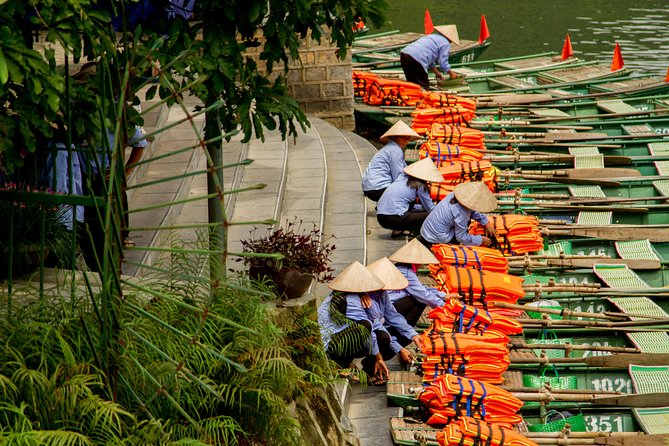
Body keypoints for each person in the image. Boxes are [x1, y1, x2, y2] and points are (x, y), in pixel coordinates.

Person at [318, 261, 421, 383]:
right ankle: (339, 364)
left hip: (346, 335)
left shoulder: (378, 294)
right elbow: (369, 327)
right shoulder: (352, 299)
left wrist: (411, 337)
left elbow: (390, 316)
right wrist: (379, 358)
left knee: (384, 337)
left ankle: (369, 370)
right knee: (367, 328)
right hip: (330, 343)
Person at [366, 256, 424, 366]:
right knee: (384, 338)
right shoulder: (367, 299)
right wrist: (400, 349)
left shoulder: (381, 293)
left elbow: (393, 315)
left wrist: (413, 335)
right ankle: (370, 367)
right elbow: (376, 327)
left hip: (374, 327)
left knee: (405, 334)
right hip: (359, 334)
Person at [386, 238, 448, 335]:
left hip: (392, 304)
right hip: (390, 306)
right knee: (419, 299)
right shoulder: (406, 272)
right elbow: (422, 294)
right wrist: (445, 306)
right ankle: (404, 332)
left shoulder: (401, 268)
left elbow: (421, 289)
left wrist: (443, 296)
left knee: (420, 296)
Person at [376, 157, 443, 239]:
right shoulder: (420, 185)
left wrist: (420, 208)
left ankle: (397, 231)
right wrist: (442, 210)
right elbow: (430, 208)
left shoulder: (401, 178)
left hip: (380, 217)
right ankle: (426, 238)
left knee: (413, 205)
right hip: (392, 218)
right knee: (432, 215)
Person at [420, 181, 498, 247]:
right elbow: (461, 237)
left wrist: (485, 222)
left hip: (427, 227)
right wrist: (480, 240)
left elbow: (472, 210)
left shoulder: (455, 195)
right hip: (436, 236)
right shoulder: (461, 214)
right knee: (461, 240)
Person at [362, 121, 421, 202]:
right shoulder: (395, 150)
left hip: (371, 186)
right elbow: (398, 176)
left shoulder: (391, 148)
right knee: (409, 194)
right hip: (378, 188)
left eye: (408, 138)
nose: (407, 141)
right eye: (404, 138)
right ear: (395, 137)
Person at [400, 25, 461, 89]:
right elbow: (443, 62)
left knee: (412, 84)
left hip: (405, 54)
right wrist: (451, 73)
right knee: (423, 86)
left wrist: (437, 73)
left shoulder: (431, 36)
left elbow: (430, 59)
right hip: (417, 58)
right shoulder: (445, 43)